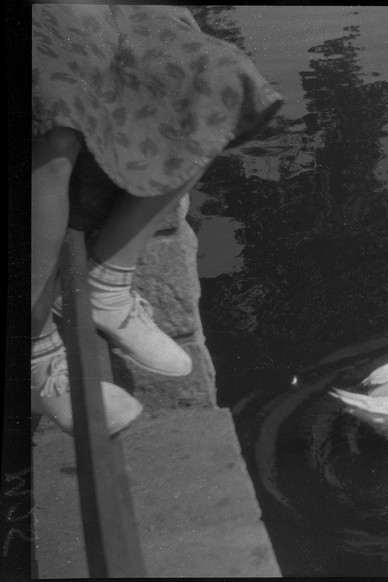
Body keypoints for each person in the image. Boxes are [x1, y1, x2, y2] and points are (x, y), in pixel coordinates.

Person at [31, 4, 283, 434]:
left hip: (96, 13)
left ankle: (107, 282)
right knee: (54, 110)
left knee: (218, 78)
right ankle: (33, 350)